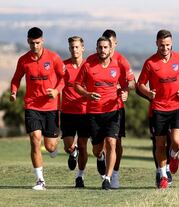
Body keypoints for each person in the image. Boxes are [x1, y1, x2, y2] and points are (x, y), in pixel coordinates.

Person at [137, 29, 179, 189]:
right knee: (160, 144)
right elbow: (140, 84)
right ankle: (162, 175)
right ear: (156, 43)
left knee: (176, 142)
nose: (165, 48)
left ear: (172, 43)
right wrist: (147, 92)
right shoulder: (150, 63)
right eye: (162, 45)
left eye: (168, 45)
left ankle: (173, 155)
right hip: (158, 109)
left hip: (177, 107)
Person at [10, 27, 64, 190]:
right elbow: (16, 79)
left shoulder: (53, 58)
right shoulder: (23, 60)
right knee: (35, 140)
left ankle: (54, 148)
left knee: (50, 147)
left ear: (43, 41)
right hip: (32, 105)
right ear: (28, 41)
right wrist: (13, 92)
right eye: (32, 43)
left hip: (51, 107)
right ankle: (40, 180)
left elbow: (64, 78)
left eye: (38, 43)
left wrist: (55, 91)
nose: (35, 46)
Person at [74, 36, 127, 190]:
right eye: (100, 47)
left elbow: (126, 85)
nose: (102, 50)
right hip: (93, 113)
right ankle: (100, 156)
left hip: (113, 112)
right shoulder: (88, 64)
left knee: (112, 142)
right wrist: (87, 94)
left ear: (111, 49)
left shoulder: (118, 65)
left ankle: (107, 179)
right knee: (97, 148)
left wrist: (125, 93)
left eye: (105, 47)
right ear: (96, 48)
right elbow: (77, 85)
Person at [102, 29, 135, 189]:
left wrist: (126, 90)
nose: (108, 47)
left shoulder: (121, 61)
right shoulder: (96, 60)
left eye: (111, 44)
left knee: (115, 142)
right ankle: (101, 157)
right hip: (97, 109)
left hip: (116, 108)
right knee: (100, 143)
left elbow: (132, 82)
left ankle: (114, 174)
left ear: (114, 43)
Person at [61, 36, 89, 188]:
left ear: (82, 48)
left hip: (85, 112)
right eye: (72, 47)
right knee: (69, 146)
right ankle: (73, 153)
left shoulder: (89, 65)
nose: (74, 50)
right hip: (67, 111)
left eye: (77, 47)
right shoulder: (63, 66)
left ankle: (80, 176)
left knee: (83, 145)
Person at [135, 87, 173, 188]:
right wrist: (149, 95)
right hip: (156, 111)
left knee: (172, 139)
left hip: (175, 109)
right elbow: (138, 87)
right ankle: (160, 171)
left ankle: (168, 165)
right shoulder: (149, 70)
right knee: (157, 142)